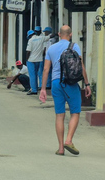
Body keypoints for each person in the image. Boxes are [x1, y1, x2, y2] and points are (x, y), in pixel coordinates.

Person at [39, 25, 91, 156]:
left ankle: (61, 148)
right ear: (71, 34)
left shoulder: (51, 48)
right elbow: (81, 66)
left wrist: (43, 88)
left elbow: (46, 70)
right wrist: (87, 84)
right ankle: (69, 140)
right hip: (71, 83)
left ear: (58, 34)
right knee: (75, 112)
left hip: (56, 83)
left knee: (59, 115)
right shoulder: (74, 46)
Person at [26, 27, 45, 95]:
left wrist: (27, 59)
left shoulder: (30, 40)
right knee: (38, 74)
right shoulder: (40, 38)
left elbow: (28, 51)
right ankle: (38, 87)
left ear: (29, 35)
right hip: (39, 60)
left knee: (32, 75)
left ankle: (34, 90)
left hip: (31, 60)